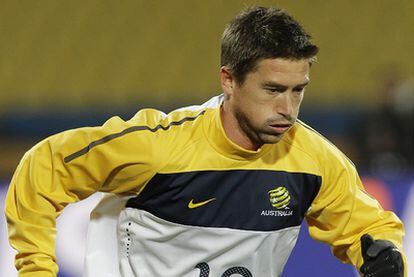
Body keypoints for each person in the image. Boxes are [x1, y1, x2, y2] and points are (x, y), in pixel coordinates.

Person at [5, 6, 406, 277]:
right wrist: (36, 268)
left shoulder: (314, 162)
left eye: (298, 90)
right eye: (272, 89)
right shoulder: (157, 147)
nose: (288, 107)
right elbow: (44, 167)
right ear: (228, 80)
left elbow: (370, 227)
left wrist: (385, 255)